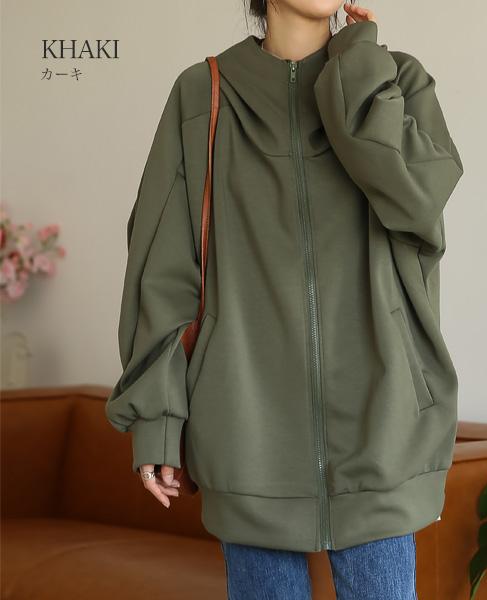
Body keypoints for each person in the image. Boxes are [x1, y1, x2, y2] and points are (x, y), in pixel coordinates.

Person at [105, 0, 464, 597]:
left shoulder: (393, 81)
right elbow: (163, 271)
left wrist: (357, 65)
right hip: (244, 428)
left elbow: (418, 203)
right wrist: (158, 420)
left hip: (383, 425)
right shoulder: (203, 94)